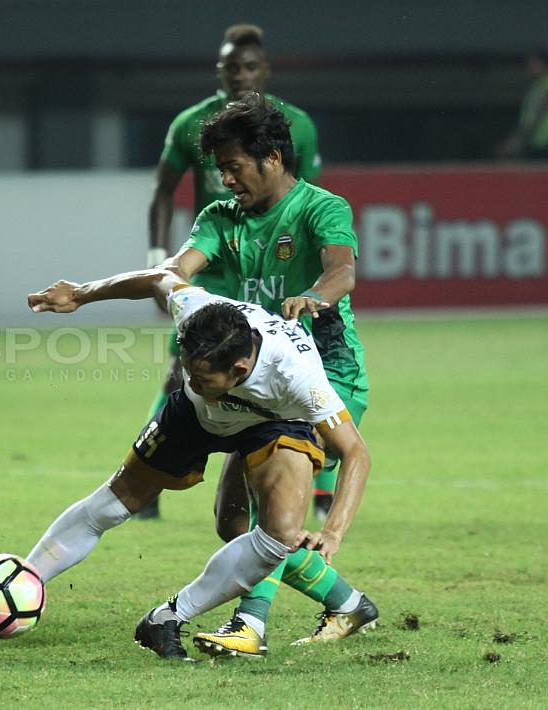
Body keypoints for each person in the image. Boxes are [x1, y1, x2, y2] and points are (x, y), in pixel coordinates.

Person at [0, 269, 372, 660]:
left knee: (279, 533)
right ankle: (16, 590)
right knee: (118, 501)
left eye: (201, 376)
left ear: (239, 370)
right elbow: (159, 278)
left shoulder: (297, 378)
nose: (191, 380)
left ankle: (167, 618)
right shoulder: (197, 310)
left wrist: (333, 531)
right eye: (188, 370)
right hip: (196, 418)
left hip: (275, 423)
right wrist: (81, 293)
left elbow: (356, 453)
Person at [161, 91, 372, 656]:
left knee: (268, 510)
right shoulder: (220, 218)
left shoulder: (320, 208)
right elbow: (183, 264)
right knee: (232, 523)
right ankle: (348, 602)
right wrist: (168, 278)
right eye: (220, 169)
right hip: (255, 381)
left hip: (325, 375)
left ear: (272, 158)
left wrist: (312, 296)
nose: (224, 180)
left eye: (233, 167)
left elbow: (343, 270)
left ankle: (249, 624)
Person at [140, 24, 321, 521]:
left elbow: (305, 201)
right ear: (219, 71)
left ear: (266, 70)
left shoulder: (296, 125)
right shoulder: (192, 124)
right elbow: (162, 191)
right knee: (186, 371)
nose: (240, 74)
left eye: (249, 67)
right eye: (231, 67)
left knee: (292, 370)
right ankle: (152, 476)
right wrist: (160, 258)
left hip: (268, 265)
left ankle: (312, 484)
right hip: (211, 265)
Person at [497, 49, 548, 160]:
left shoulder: (543, 87)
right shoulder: (539, 86)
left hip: (542, 144)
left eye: (532, 63)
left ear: (543, 64)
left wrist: (515, 143)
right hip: (539, 142)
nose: (528, 67)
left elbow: (535, 117)